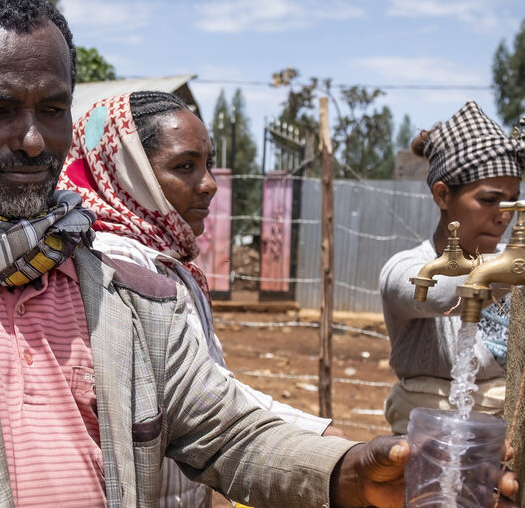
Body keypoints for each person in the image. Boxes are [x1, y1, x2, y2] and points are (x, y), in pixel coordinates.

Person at [0, 0, 516, 508]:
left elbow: (223, 429)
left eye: (51, 110)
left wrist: (343, 470)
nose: (30, 139)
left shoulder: (117, 277)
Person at [59, 90, 344, 507]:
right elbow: (205, 397)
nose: (209, 184)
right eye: (184, 166)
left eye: (206, 164)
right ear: (126, 172)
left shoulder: (164, 256)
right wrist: (318, 437)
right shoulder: (117, 264)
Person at [379, 101, 525, 434]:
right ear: (442, 195)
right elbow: (442, 295)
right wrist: (514, 272)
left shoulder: (518, 266)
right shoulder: (405, 268)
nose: (504, 215)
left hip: (503, 444)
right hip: (426, 443)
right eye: (489, 200)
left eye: (513, 201)